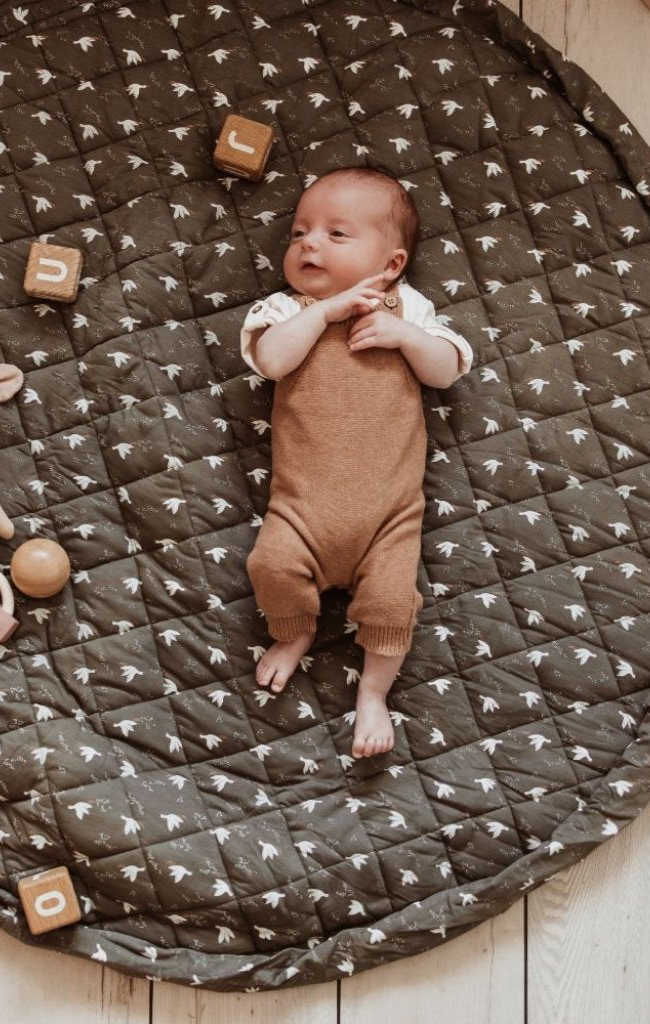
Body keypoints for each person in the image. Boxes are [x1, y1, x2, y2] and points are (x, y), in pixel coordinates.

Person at [241, 166, 474, 759]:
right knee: (270, 566)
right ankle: (294, 634)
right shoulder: (285, 309)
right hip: (300, 510)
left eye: (336, 234)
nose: (309, 244)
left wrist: (406, 337)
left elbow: (447, 369)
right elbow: (271, 361)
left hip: (389, 517)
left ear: (390, 264)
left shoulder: (406, 308)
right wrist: (323, 313)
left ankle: (373, 694)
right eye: (299, 233)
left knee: (394, 605)